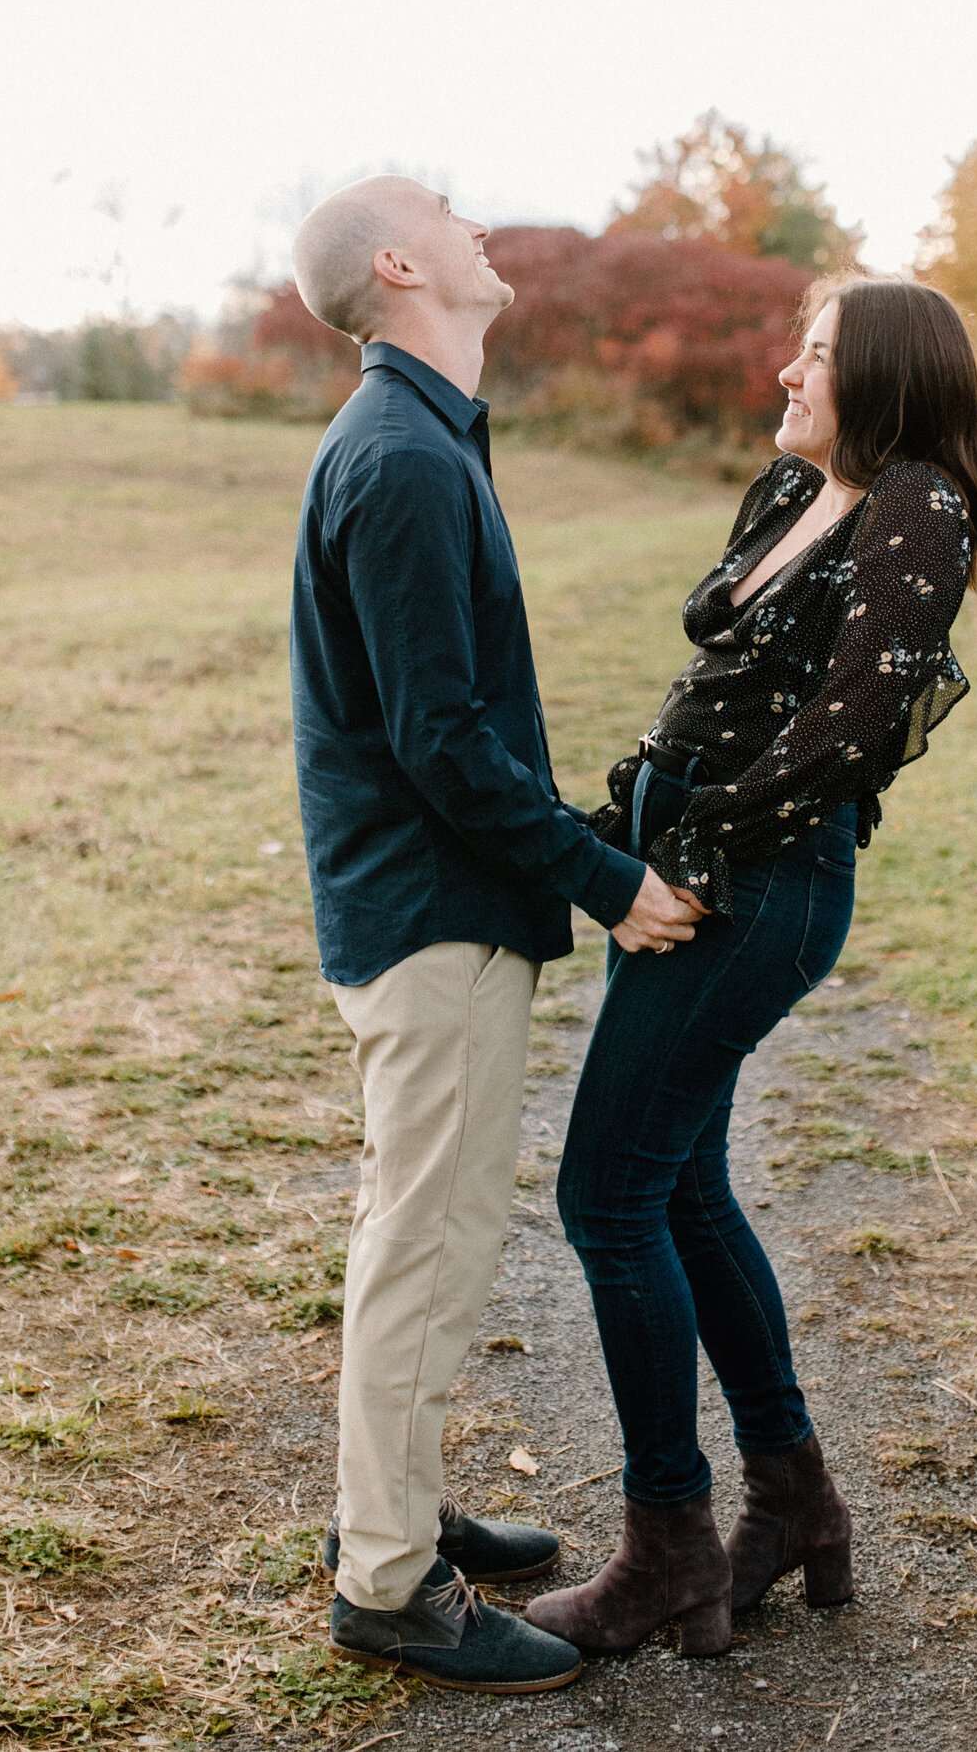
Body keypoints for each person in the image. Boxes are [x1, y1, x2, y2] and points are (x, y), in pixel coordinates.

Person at [525, 276, 977, 1659]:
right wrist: (622, 815)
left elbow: (850, 728)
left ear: (887, 373)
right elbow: (728, 680)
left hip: (760, 881)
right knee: (676, 1182)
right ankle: (793, 1498)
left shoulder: (920, 501)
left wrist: (684, 848)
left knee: (607, 1192)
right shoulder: (788, 487)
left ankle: (669, 1539)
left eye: (815, 350)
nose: (786, 369)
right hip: (691, 852)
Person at [287, 177, 704, 1694]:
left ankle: (388, 1513)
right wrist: (607, 877)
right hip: (431, 917)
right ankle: (391, 1582)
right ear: (399, 266)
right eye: (448, 212)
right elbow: (445, 744)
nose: (482, 224)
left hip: (428, 909)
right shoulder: (397, 455)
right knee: (432, 1241)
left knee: (411, 1223)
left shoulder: (424, 433)